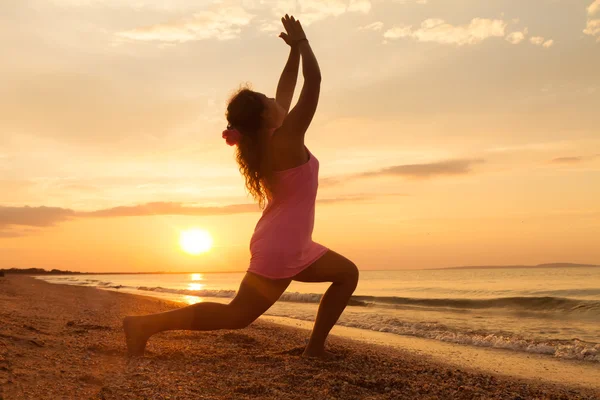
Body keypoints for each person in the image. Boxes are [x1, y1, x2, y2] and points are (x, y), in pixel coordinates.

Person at [124, 14, 359, 359]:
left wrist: (293, 50)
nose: (278, 100)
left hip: (287, 241)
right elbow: (314, 82)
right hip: (283, 244)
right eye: (269, 100)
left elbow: (290, 84)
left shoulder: (271, 141)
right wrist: (305, 42)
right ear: (266, 116)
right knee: (236, 315)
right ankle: (144, 325)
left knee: (346, 274)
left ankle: (314, 349)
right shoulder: (286, 140)